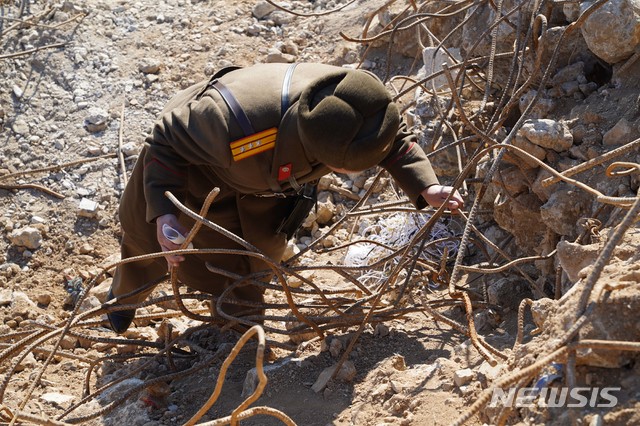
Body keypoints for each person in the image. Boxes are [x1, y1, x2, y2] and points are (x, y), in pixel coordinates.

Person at [106, 62, 464, 334]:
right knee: (146, 244)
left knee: (248, 264)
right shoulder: (232, 121)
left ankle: (237, 335)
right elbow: (165, 143)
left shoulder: (358, 98)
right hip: (193, 173)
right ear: (327, 161)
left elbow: (389, 138)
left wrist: (425, 186)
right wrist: (166, 214)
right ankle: (120, 305)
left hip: (262, 189)